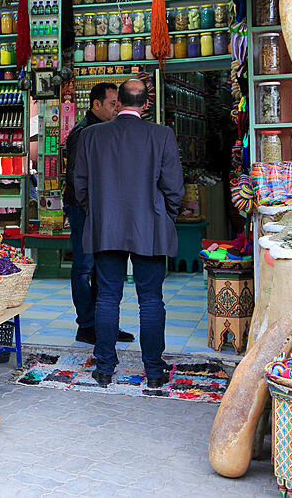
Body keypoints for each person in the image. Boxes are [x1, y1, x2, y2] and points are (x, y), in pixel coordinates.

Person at [73, 78, 184, 389]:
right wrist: (163, 216)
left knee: (107, 297)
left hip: (105, 226)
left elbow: (79, 185)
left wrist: (98, 213)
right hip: (150, 226)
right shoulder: (161, 135)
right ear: (146, 105)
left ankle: (104, 368)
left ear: (118, 103)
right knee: (151, 300)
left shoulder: (92, 135)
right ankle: (154, 371)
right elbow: (174, 187)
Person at [62, 82, 134, 345]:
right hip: (85, 209)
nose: (117, 108)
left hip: (102, 210)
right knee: (84, 267)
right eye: (112, 103)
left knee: (103, 268)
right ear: (96, 104)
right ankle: (87, 325)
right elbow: (78, 179)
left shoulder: (107, 130)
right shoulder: (83, 133)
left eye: (119, 104)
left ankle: (104, 325)